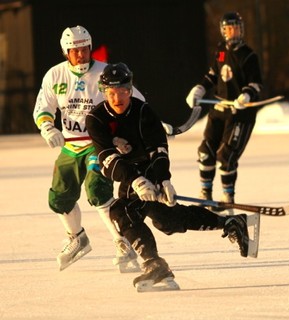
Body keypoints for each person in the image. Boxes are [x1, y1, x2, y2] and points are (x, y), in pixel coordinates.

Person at [86, 62, 256, 291]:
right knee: (167, 220)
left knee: (123, 211)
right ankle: (230, 222)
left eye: (123, 91)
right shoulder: (96, 119)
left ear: (130, 88)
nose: (118, 98)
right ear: (104, 92)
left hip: (149, 170)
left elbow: (158, 149)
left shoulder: (143, 111)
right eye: (112, 93)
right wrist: (136, 180)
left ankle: (155, 266)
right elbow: (107, 159)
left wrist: (163, 180)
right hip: (127, 174)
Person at [33, 25, 144, 272]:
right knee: (59, 198)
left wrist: (144, 126)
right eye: (75, 51)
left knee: (97, 190)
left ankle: (122, 242)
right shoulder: (55, 75)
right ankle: (77, 238)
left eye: (84, 49)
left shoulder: (106, 73)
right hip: (71, 146)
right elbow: (43, 107)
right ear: (66, 52)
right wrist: (48, 128)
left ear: (90, 47)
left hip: (100, 144)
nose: (81, 55)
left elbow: (135, 101)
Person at [185, 12, 263, 208]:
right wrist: (200, 88)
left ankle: (228, 198)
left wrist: (245, 95)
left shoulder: (249, 55)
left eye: (236, 27)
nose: (233, 31)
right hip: (219, 110)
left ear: (241, 29)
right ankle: (206, 194)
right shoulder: (220, 51)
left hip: (240, 115)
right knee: (205, 151)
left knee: (226, 156)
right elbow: (213, 74)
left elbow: (256, 84)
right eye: (229, 28)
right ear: (223, 31)